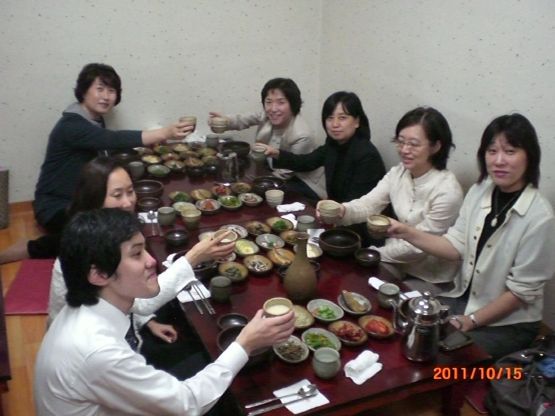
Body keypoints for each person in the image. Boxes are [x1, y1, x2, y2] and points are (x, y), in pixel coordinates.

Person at [34, 208, 295, 415]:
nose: (151, 261)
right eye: (137, 254)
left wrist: (193, 256)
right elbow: (187, 404)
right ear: (99, 274)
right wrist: (246, 343)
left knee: (207, 361)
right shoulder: (98, 351)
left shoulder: (93, 303)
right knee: (235, 395)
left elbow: (144, 303)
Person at [388, 113, 555, 359]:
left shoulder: (540, 217)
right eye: (492, 151)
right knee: (403, 325)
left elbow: (520, 293)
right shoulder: (480, 191)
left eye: (510, 151)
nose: (499, 160)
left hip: (508, 323)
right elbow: (455, 247)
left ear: (529, 156)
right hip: (462, 300)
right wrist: (407, 232)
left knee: (441, 358)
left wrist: (470, 320)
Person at [47, 157, 235, 372]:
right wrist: (194, 257)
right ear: (93, 200)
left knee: (186, 329)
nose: (128, 202)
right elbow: (140, 301)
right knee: (206, 351)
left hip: (124, 325)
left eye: (130, 191)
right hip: (100, 353)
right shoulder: (85, 252)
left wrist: (146, 321)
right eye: (117, 195)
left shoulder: (111, 233)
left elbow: (124, 299)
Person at [0, 63, 194, 264]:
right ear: (84, 91)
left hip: (85, 200)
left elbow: (107, 148)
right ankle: (28, 248)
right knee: (99, 237)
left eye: (111, 91)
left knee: (128, 217)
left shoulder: (93, 119)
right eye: (99, 89)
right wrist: (164, 133)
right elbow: (112, 139)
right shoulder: (72, 125)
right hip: (56, 206)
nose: (106, 96)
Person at [318, 107, 463, 292]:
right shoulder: (399, 172)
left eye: (414, 144)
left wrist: (371, 253)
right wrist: (341, 211)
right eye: (400, 142)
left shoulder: (447, 191)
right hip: (395, 258)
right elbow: (369, 204)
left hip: (429, 275)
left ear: (435, 146)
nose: (404, 150)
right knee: (347, 278)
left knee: (372, 290)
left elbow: (418, 249)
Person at [256, 91, 385, 204]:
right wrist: (276, 153)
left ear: (357, 121)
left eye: (342, 118)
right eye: (330, 118)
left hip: (357, 218)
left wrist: (329, 208)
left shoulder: (367, 156)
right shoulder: (333, 144)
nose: (335, 124)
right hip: (336, 209)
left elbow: (358, 202)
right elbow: (306, 162)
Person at [208, 77, 326, 201]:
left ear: (293, 104)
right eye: (268, 102)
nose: (273, 109)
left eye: (281, 102)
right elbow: (244, 119)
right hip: (274, 171)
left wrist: (254, 183)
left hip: (302, 182)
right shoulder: (266, 115)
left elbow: (286, 172)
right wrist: (225, 121)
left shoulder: (302, 135)